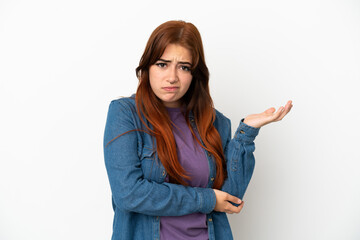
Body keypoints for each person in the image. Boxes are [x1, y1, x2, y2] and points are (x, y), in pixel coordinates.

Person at [103, 20, 292, 240]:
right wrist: (207, 199)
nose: (172, 77)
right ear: (146, 67)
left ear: (195, 74)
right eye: (162, 64)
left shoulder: (215, 122)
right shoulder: (126, 114)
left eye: (184, 67)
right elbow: (129, 194)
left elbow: (230, 198)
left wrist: (246, 134)